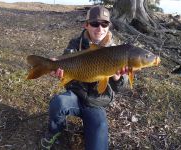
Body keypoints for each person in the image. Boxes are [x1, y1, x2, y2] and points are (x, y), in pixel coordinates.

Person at [41, 5, 128, 150]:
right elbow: (65, 67)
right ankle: (55, 131)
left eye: (104, 24)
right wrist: (55, 69)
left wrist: (118, 78)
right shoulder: (75, 44)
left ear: (109, 26)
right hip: (75, 96)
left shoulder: (116, 51)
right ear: (86, 25)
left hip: (96, 103)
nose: (100, 28)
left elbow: (120, 88)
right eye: (94, 23)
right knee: (58, 103)